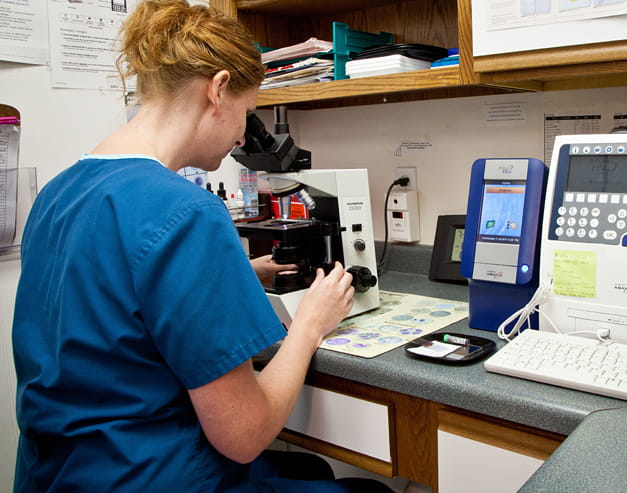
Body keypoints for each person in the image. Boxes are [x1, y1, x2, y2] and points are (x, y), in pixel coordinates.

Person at [12, 1, 391, 491]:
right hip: (155, 476)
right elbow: (245, 435)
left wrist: (237, 275)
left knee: (310, 470)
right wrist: (310, 326)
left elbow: (106, 302)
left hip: (61, 474)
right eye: (247, 114)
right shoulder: (188, 212)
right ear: (218, 90)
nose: (241, 134)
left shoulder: (58, 194)